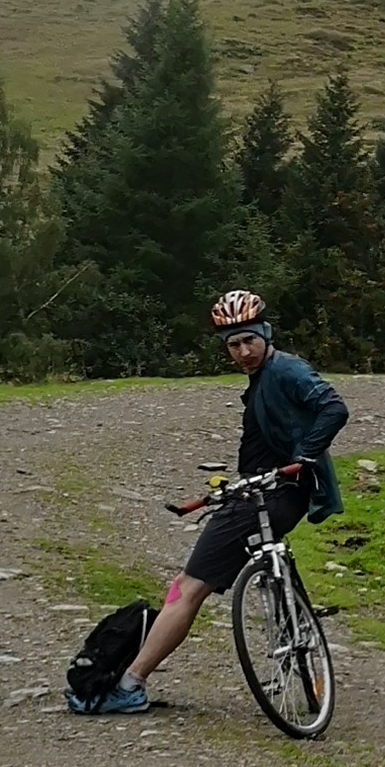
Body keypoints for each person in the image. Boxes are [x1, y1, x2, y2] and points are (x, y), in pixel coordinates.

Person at [85, 289, 350, 714]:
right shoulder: (267, 376)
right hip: (273, 492)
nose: (244, 351)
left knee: (188, 587)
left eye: (250, 341)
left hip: (270, 494)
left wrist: (302, 458)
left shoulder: (286, 371)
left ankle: (130, 684)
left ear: (266, 334)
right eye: (233, 344)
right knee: (205, 579)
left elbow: (333, 408)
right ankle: (290, 619)